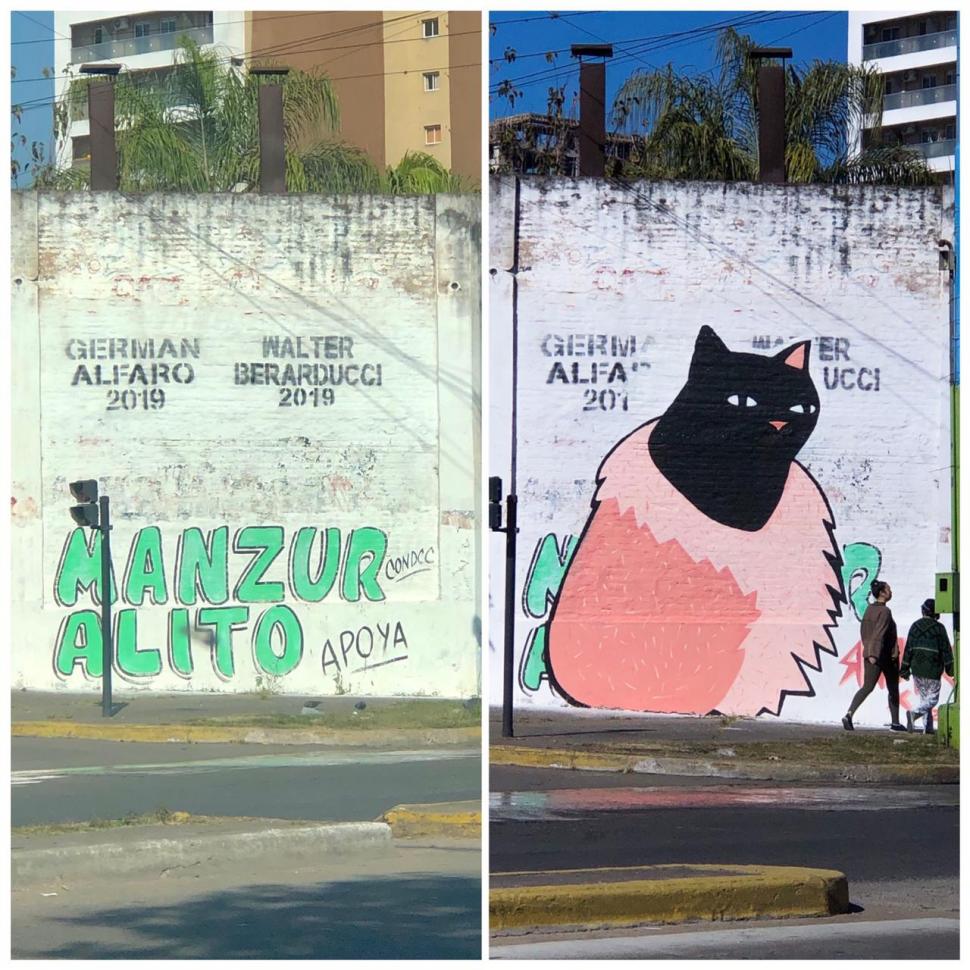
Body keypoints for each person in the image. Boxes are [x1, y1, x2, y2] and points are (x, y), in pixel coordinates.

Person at [842, 580, 906, 731]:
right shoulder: (885, 612)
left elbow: (864, 632)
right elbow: (880, 633)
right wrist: (874, 653)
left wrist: (868, 650)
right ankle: (895, 723)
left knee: (867, 687)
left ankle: (849, 714)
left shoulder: (869, 610)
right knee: (892, 688)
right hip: (884, 656)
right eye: (889, 589)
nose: (891, 592)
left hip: (870, 654)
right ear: (883, 593)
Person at [900, 598, 954, 734]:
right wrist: (951, 669)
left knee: (925, 698)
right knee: (932, 699)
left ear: (923, 610)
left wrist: (904, 669)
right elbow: (946, 650)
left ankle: (928, 728)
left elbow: (908, 649)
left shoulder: (915, 626)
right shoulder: (939, 628)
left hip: (917, 668)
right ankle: (914, 714)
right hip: (933, 668)